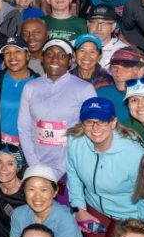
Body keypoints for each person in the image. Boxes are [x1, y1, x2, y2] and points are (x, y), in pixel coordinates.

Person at [65, 97, 144, 237]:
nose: (95, 127)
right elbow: (73, 174)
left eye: (102, 121)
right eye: (89, 121)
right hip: (94, 208)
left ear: (113, 122)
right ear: (82, 124)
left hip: (127, 214)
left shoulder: (134, 154)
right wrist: (79, 208)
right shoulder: (75, 142)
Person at [17, 39, 96, 180]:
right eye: (50, 54)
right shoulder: (31, 87)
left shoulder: (84, 89)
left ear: (70, 61)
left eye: (62, 55)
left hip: (71, 166)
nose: (55, 59)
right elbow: (24, 128)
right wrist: (35, 165)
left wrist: (65, 166)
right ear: (42, 59)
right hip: (36, 163)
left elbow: (90, 130)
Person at [0, 36, 37, 165]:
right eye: (7, 53)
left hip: (28, 152)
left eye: (17, 51)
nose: (12, 57)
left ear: (28, 55)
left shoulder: (39, 84)